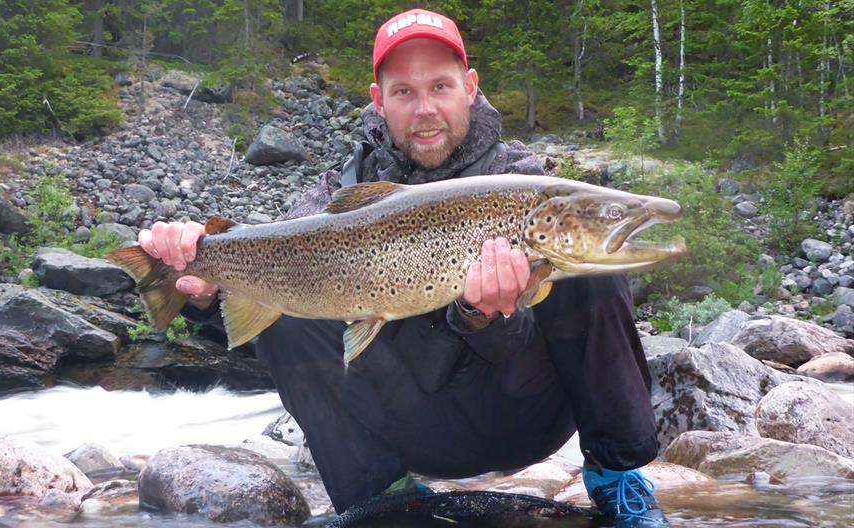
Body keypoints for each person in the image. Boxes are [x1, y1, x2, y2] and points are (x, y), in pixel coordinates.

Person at [138, 9, 668, 527]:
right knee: (288, 311)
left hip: (524, 414)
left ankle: (616, 475)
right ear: (378, 101)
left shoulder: (523, 181)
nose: (425, 110)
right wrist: (204, 283)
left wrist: (484, 315)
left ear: (470, 87)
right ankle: (382, 499)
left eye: (440, 87)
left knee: (590, 273)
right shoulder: (337, 195)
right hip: (407, 428)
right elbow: (262, 269)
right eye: (405, 93)